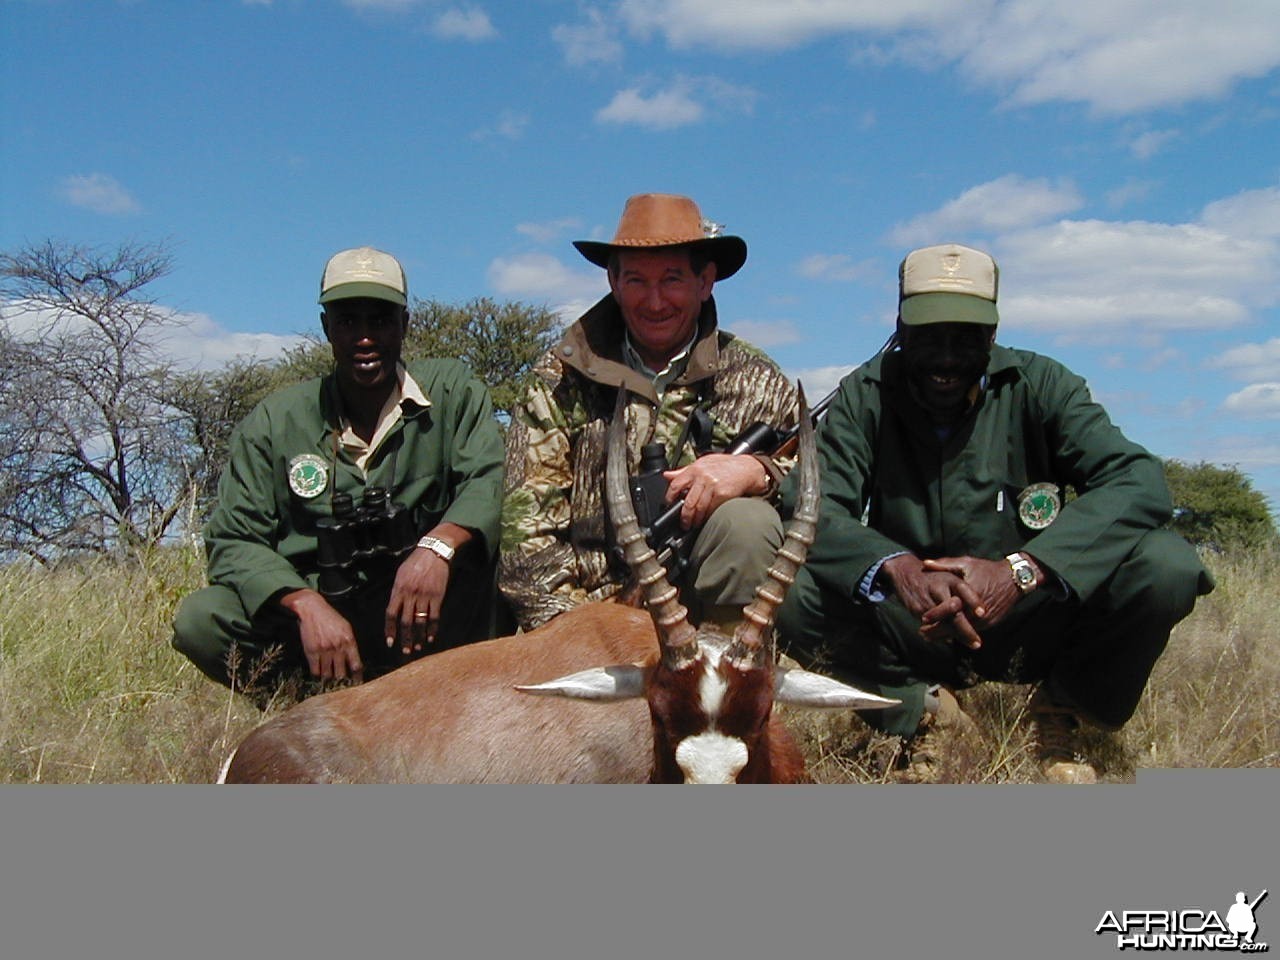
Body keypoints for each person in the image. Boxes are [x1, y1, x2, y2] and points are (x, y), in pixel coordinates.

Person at [776, 242, 1214, 782]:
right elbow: (810, 500)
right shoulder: (866, 393)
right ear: (899, 327)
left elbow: (1138, 480)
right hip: (913, 617)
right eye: (928, 335)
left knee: (1166, 566)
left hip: (1028, 614)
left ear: (992, 333)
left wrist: (1022, 570)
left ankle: (1063, 709)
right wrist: (896, 566)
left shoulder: (1043, 384)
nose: (945, 356)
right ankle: (922, 711)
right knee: (789, 587)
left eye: (965, 336)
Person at [173, 246, 505, 701]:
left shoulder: (452, 392)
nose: (364, 338)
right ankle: (312, 708)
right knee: (202, 618)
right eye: (347, 322)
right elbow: (233, 540)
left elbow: (486, 481)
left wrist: (436, 547)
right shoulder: (275, 421)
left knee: (498, 573)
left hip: (429, 619)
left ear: (405, 325)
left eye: (380, 320)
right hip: (327, 624)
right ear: (326, 327)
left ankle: (459, 699)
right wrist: (304, 604)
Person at [500, 193, 799, 631]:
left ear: (706, 281)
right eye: (637, 281)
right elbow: (525, 540)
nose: (655, 302)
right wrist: (585, 636)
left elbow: (816, 493)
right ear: (613, 283)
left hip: (704, 629)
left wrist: (757, 472)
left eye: (673, 279)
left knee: (747, 523)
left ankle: (729, 680)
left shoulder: (759, 379)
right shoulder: (557, 380)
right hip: (586, 625)